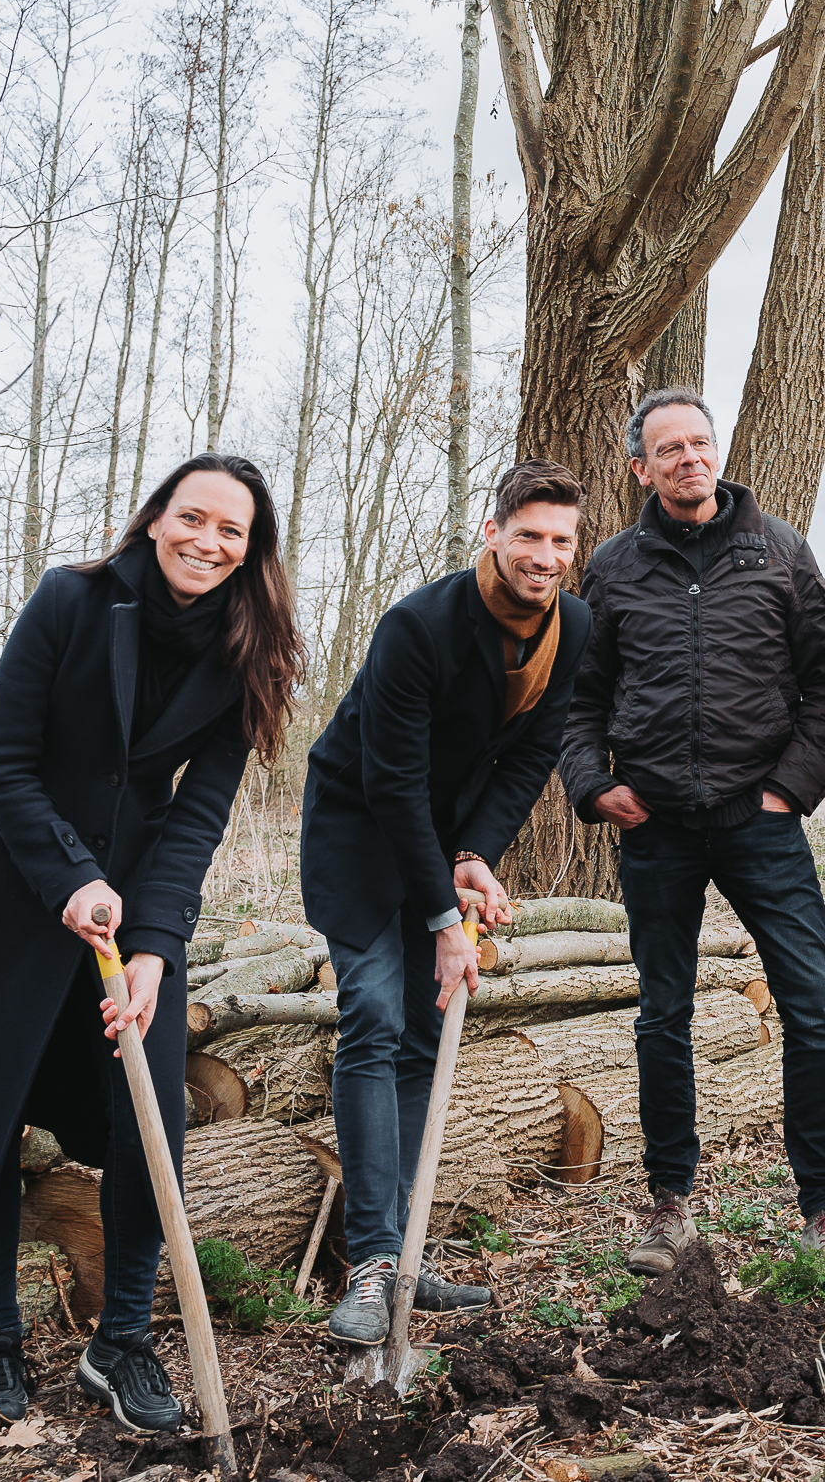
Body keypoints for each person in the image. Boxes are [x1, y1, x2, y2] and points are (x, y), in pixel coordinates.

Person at [0, 454, 306, 1430]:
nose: (207, 540)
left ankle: (123, 1343)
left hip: (134, 898)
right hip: (3, 882)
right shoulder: (70, 599)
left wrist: (153, 942)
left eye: (232, 530)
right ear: (156, 520)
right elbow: (3, 764)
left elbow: (196, 819)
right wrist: (70, 876)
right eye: (193, 517)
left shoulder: (248, 654)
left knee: (150, 1125)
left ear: (251, 548)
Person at [558, 388, 825, 1280]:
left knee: (810, 1007)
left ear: (716, 452)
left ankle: (824, 1209)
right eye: (669, 448)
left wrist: (789, 789)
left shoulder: (782, 552)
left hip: (759, 820)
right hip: (655, 827)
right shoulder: (611, 567)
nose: (690, 458)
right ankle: (669, 1205)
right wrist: (593, 784)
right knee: (664, 1015)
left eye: (701, 442)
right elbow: (579, 700)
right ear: (639, 467)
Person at [302, 460, 593, 1343]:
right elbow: (388, 782)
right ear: (494, 534)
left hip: (441, 840)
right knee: (379, 1014)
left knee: (426, 1032)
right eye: (530, 536)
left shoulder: (571, 627)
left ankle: (406, 1246)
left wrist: (474, 854)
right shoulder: (416, 626)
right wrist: (439, 917)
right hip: (360, 836)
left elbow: (531, 758)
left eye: (562, 541)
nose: (545, 556)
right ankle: (370, 1265)